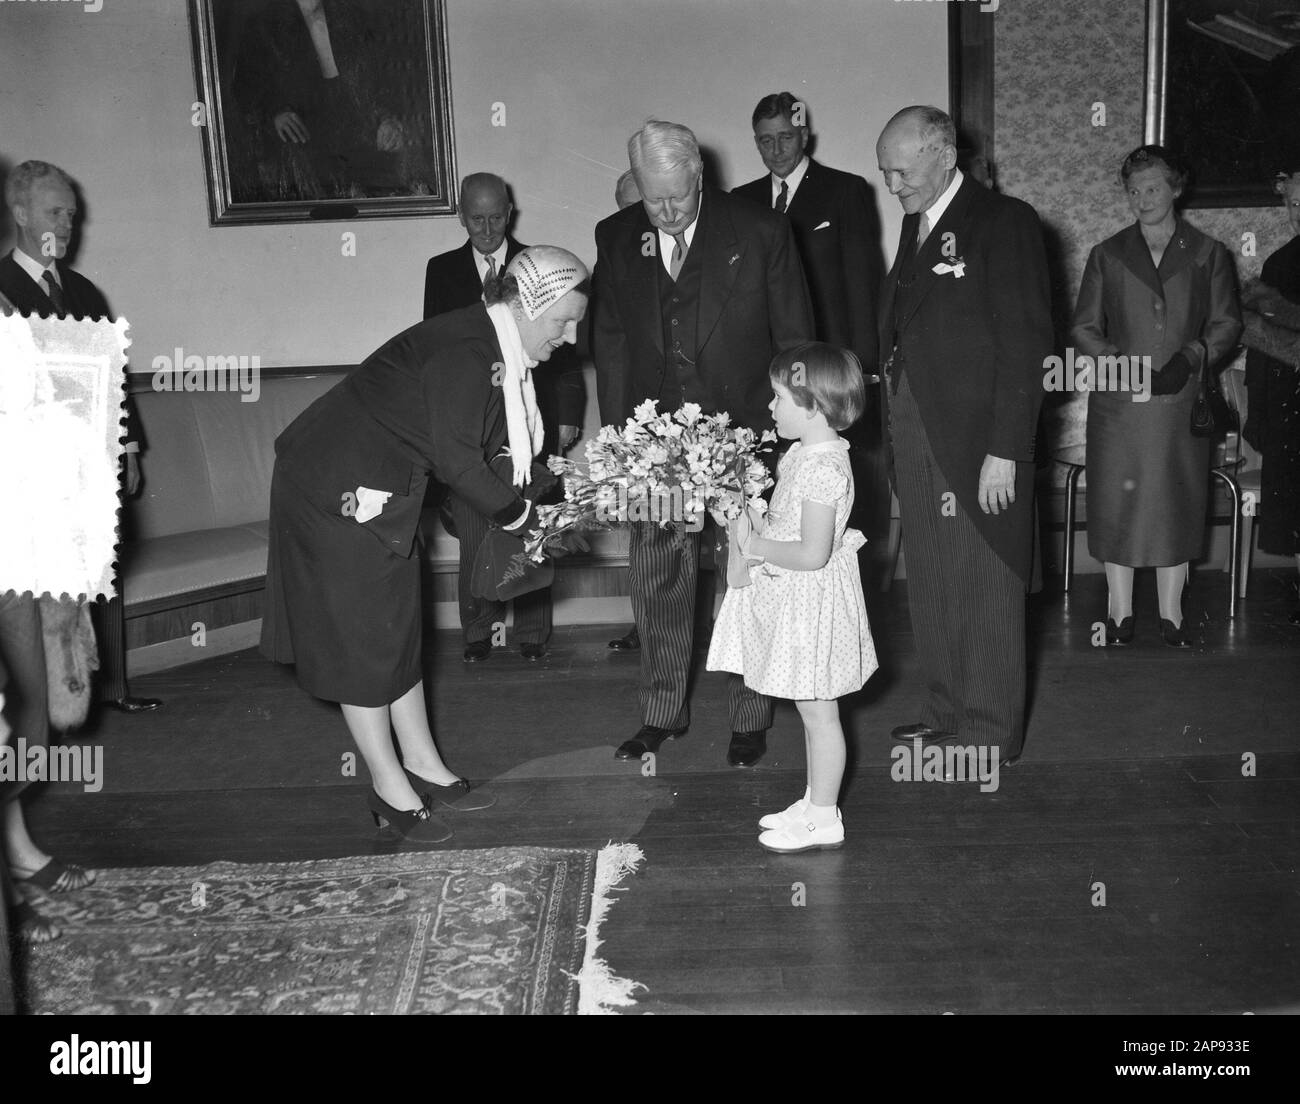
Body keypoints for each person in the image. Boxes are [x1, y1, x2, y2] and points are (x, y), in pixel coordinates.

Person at [261, 246, 589, 840]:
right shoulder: (468, 349)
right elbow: (461, 464)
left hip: (382, 488)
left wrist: (544, 492)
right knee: (362, 638)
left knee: (397, 624)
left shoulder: (490, 343)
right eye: (562, 321)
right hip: (332, 487)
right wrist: (521, 518)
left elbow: (487, 447)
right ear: (525, 305)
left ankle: (421, 759)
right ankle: (388, 785)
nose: (568, 338)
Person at [592, 119, 814, 768]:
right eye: (651, 199)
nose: (662, 212)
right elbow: (610, 341)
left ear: (700, 176)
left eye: (676, 199)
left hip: (746, 437)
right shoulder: (615, 235)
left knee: (747, 579)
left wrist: (794, 435)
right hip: (655, 446)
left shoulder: (761, 231)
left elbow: (796, 339)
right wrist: (619, 439)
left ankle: (751, 714)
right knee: (657, 579)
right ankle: (661, 712)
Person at [876, 106, 1052, 766]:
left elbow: (1026, 343)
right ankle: (948, 710)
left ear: (944, 156)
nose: (893, 184)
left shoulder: (1005, 223)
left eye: (902, 169)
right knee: (932, 581)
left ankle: (986, 730)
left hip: (980, 444)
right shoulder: (916, 221)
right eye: (885, 171)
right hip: (916, 436)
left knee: (983, 582)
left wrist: (1007, 449)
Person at [0, 160, 160, 715]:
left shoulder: (86, 292)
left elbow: (113, 376)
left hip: (94, 470)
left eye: (71, 214)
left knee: (100, 571)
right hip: (34, 479)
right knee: (41, 596)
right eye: (53, 212)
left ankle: (109, 689)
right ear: (20, 214)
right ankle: (38, 710)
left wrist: (129, 445)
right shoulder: (1, 291)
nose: (66, 225)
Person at [707, 343, 877, 851]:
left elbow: (811, 553)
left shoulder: (824, 469)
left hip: (815, 606)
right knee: (809, 708)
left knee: (821, 714)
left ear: (814, 405)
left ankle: (825, 816)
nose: (770, 406)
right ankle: (813, 800)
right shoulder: (804, 454)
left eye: (779, 397)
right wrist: (745, 513)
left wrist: (753, 544)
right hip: (799, 602)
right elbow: (789, 522)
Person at [1072, 145, 1243, 647]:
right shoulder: (1107, 253)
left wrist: (1191, 357)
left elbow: (1227, 322)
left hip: (1180, 399)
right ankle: (1119, 613)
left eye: (1152, 188)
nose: (1142, 199)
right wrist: (1124, 366)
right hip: (1121, 403)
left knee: (1175, 500)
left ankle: (1173, 615)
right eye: (1133, 190)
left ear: (1175, 189)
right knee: (1117, 504)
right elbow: (1084, 327)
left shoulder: (1209, 253)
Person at [423, 173, 584, 662]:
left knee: (534, 524)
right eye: (477, 218)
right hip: (475, 422)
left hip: (533, 417)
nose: (488, 228)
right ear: (461, 216)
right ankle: (478, 632)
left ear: (510, 212)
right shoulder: (442, 269)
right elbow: (436, 347)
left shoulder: (539, 263)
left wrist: (569, 412)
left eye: (497, 217)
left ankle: (532, 634)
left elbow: (567, 351)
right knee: (477, 524)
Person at [734, 92, 889, 590]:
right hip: (776, 375)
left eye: (785, 137)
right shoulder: (741, 202)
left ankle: (851, 583)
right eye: (765, 140)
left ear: (805, 136)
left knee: (837, 481)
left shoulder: (845, 191)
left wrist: (863, 367)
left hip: (833, 370)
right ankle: (771, 580)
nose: (776, 149)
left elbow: (863, 283)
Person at [1242, 168, 1300, 624]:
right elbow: (1267, 356)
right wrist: (1258, 413)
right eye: (1292, 203)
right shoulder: (1281, 263)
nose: (1297, 214)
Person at [607, 169, 645, 654]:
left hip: (705, 431)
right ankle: (649, 623)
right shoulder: (615, 262)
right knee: (649, 532)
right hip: (638, 434)